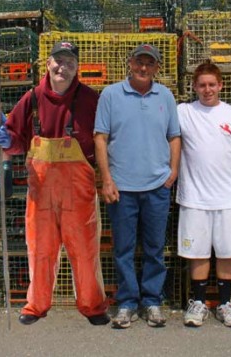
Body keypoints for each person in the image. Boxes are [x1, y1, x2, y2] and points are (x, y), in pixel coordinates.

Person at [0, 41, 110, 327]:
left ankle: (92, 306)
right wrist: (6, 142)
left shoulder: (91, 100)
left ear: (77, 68)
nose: (63, 67)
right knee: (40, 250)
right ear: (47, 64)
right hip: (41, 194)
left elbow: (106, 139)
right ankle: (36, 305)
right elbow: (16, 138)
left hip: (79, 194)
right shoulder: (31, 99)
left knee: (84, 251)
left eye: (70, 63)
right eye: (58, 61)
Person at [94, 43, 181, 329]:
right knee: (124, 249)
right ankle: (128, 302)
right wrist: (106, 179)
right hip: (122, 187)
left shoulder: (165, 96)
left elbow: (174, 136)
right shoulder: (111, 95)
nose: (144, 68)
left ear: (157, 68)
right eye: (139, 62)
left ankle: (152, 301)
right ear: (130, 63)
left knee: (156, 247)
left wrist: (174, 170)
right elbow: (100, 138)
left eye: (150, 63)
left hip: (157, 185)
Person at [177, 61, 231, 328]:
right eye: (202, 85)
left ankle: (225, 304)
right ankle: (197, 303)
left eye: (212, 84)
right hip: (194, 197)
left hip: (228, 198)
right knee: (197, 253)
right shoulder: (183, 112)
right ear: (194, 87)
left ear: (220, 85)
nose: (207, 89)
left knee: (226, 252)